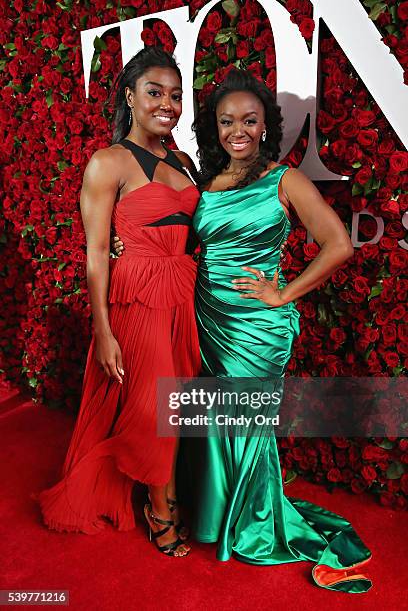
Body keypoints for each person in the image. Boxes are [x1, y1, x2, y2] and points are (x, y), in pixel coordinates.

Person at [113, 69, 373, 591]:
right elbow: (179, 237)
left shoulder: (285, 179)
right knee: (212, 424)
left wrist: (283, 293)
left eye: (249, 120)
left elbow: (339, 244)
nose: (238, 130)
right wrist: (129, 249)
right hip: (203, 316)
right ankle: (215, 516)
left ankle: (251, 527)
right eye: (227, 120)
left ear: (264, 126)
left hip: (257, 326)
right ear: (214, 127)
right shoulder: (205, 183)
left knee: (247, 427)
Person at [35, 48, 201, 557]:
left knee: (181, 400)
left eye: (175, 95)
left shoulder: (184, 161)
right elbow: (95, 256)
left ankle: (166, 489)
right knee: (156, 405)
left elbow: (195, 231)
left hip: (183, 292)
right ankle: (159, 509)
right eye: (155, 92)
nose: (167, 104)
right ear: (129, 97)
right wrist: (103, 331)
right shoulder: (107, 162)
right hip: (138, 298)